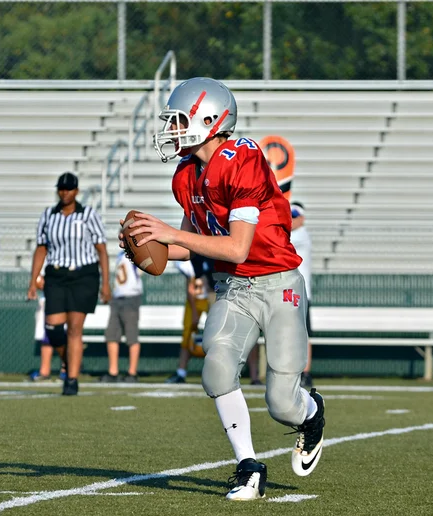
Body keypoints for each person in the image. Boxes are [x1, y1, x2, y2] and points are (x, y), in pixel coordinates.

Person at [123, 77, 326, 500]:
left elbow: (237, 246)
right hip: (234, 287)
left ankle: (311, 414)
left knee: (281, 403)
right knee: (215, 366)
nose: (172, 129)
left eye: (180, 120)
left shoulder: (243, 157)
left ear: (210, 120)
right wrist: (149, 245)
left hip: (278, 284)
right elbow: (188, 243)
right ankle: (248, 467)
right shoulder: (185, 176)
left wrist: (170, 236)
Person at [27, 172, 111, 396]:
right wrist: (33, 281)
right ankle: (70, 360)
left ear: (76, 191)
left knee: (75, 328)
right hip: (56, 274)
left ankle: (71, 379)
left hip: (84, 274)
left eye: (69, 189)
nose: (65, 192)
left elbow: (101, 249)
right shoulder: (48, 215)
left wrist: (106, 283)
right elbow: (41, 248)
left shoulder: (88, 215)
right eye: (61, 189)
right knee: (53, 328)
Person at [166, 255, 212, 384]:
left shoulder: (212, 254)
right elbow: (190, 284)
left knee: (219, 336)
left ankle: (220, 372)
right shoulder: (192, 258)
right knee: (187, 335)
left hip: (211, 297)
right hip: (195, 299)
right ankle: (181, 371)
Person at [100, 249, 143, 382]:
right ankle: (113, 372)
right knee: (112, 335)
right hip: (117, 297)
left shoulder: (137, 253)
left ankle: (132, 372)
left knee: (131, 335)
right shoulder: (120, 254)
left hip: (131, 296)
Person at [290, 201, 313, 388]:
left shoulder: (300, 234)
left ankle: (305, 372)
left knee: (303, 334)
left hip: (301, 291)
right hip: (290, 290)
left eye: (294, 216)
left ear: (302, 219)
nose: (290, 219)